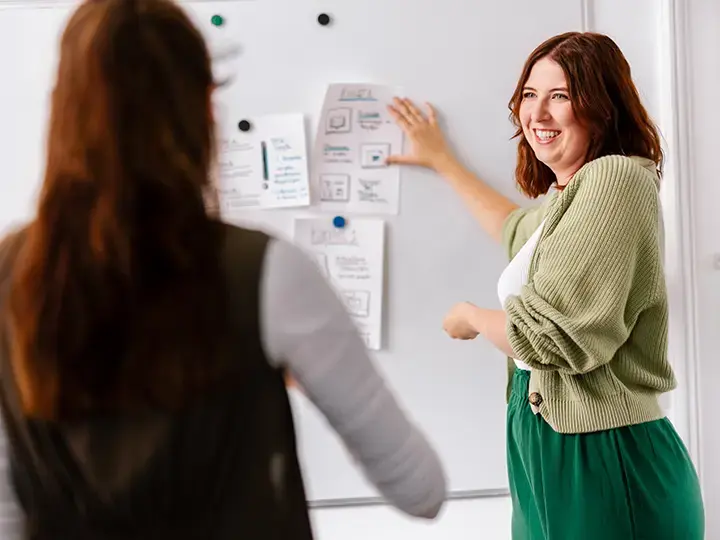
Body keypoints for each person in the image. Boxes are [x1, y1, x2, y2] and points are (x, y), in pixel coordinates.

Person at [0, 0, 447, 538]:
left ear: (62, 108)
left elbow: (8, 510)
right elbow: (420, 489)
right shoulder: (265, 273)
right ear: (204, 108)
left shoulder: (9, 277)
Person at [386, 31, 704, 539]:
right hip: (547, 449)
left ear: (602, 107)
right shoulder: (568, 201)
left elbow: (549, 339)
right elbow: (513, 229)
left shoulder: (616, 179)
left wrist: (470, 316)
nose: (538, 114)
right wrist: (442, 160)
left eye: (560, 96)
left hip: (601, 453)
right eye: (530, 96)